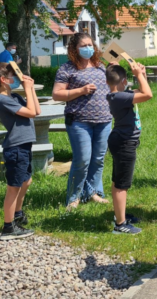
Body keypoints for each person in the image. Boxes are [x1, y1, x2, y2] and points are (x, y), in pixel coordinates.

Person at [52, 32, 112, 210]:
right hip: (79, 121)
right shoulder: (67, 69)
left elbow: (115, 85)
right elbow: (57, 94)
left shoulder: (101, 66)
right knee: (82, 160)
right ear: (74, 49)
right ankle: (74, 197)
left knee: (98, 159)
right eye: (83, 45)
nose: (88, 48)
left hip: (104, 120)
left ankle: (93, 193)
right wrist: (81, 90)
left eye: (90, 45)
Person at [0, 62, 41, 240]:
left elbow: (36, 110)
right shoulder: (2, 100)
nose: (17, 79)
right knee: (13, 188)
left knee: (26, 180)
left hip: (24, 145)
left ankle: (17, 214)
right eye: (14, 76)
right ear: (3, 79)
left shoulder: (15, 97)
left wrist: (30, 90)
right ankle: (8, 227)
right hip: (15, 148)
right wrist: (27, 87)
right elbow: (31, 112)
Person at [106, 62, 152, 234]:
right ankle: (120, 225)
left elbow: (141, 91)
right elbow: (148, 94)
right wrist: (138, 75)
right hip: (124, 142)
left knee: (117, 181)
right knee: (121, 185)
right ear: (124, 81)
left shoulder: (118, 95)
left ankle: (120, 214)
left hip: (121, 140)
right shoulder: (120, 97)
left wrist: (142, 74)